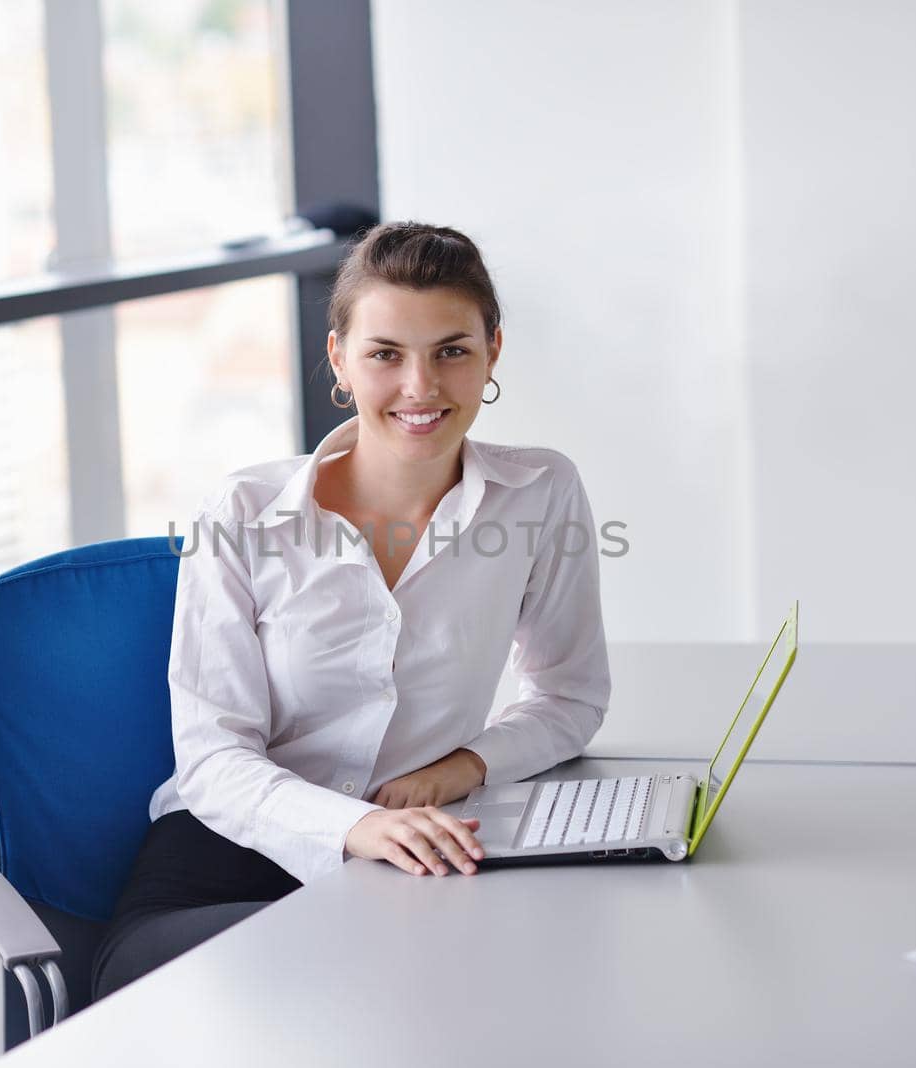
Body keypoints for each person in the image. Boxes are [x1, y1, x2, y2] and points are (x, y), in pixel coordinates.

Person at [92, 221, 611, 999]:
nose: (420, 387)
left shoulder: (540, 493)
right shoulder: (243, 511)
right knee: (383, 994)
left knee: (525, 977)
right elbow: (211, 759)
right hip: (222, 871)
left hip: (405, 864)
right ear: (339, 358)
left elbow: (570, 698)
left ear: (492, 352)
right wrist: (357, 827)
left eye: (452, 351)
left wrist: (458, 769)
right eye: (385, 354)